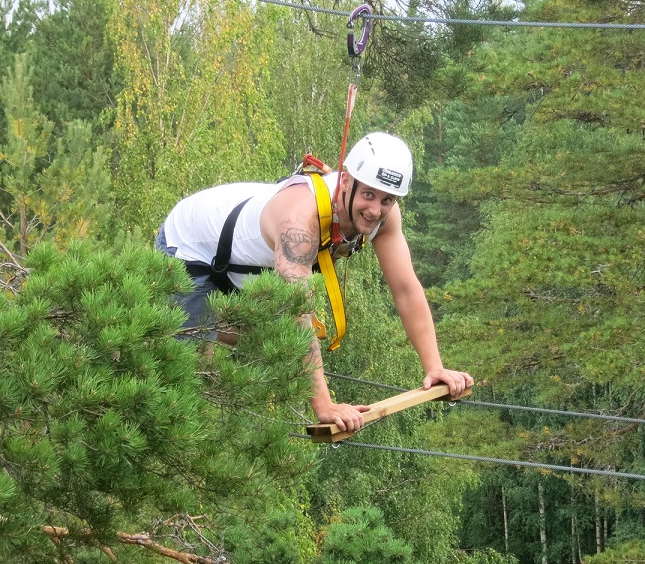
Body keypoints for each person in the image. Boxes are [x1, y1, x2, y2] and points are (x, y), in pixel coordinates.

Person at [157, 132, 474, 433]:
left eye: (387, 200)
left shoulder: (385, 216)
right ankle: (169, 328)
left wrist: (435, 367)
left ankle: (201, 326)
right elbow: (298, 312)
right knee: (191, 385)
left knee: (275, 343)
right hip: (191, 248)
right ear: (346, 181)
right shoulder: (299, 219)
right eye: (368, 195)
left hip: (249, 269)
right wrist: (325, 405)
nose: (375, 209)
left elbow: (406, 291)